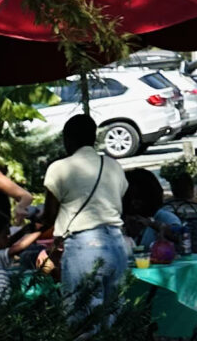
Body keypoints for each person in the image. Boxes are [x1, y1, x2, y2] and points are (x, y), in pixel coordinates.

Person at [36, 113, 129, 322]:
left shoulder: (59, 168)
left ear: (68, 139)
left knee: (82, 318)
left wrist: (35, 221)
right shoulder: (114, 166)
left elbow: (49, 216)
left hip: (83, 246)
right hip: (116, 243)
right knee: (113, 318)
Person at [118, 167, 186, 256]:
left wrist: (153, 224)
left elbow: (181, 236)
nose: (134, 203)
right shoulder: (119, 219)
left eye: (139, 198)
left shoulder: (163, 217)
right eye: (129, 198)